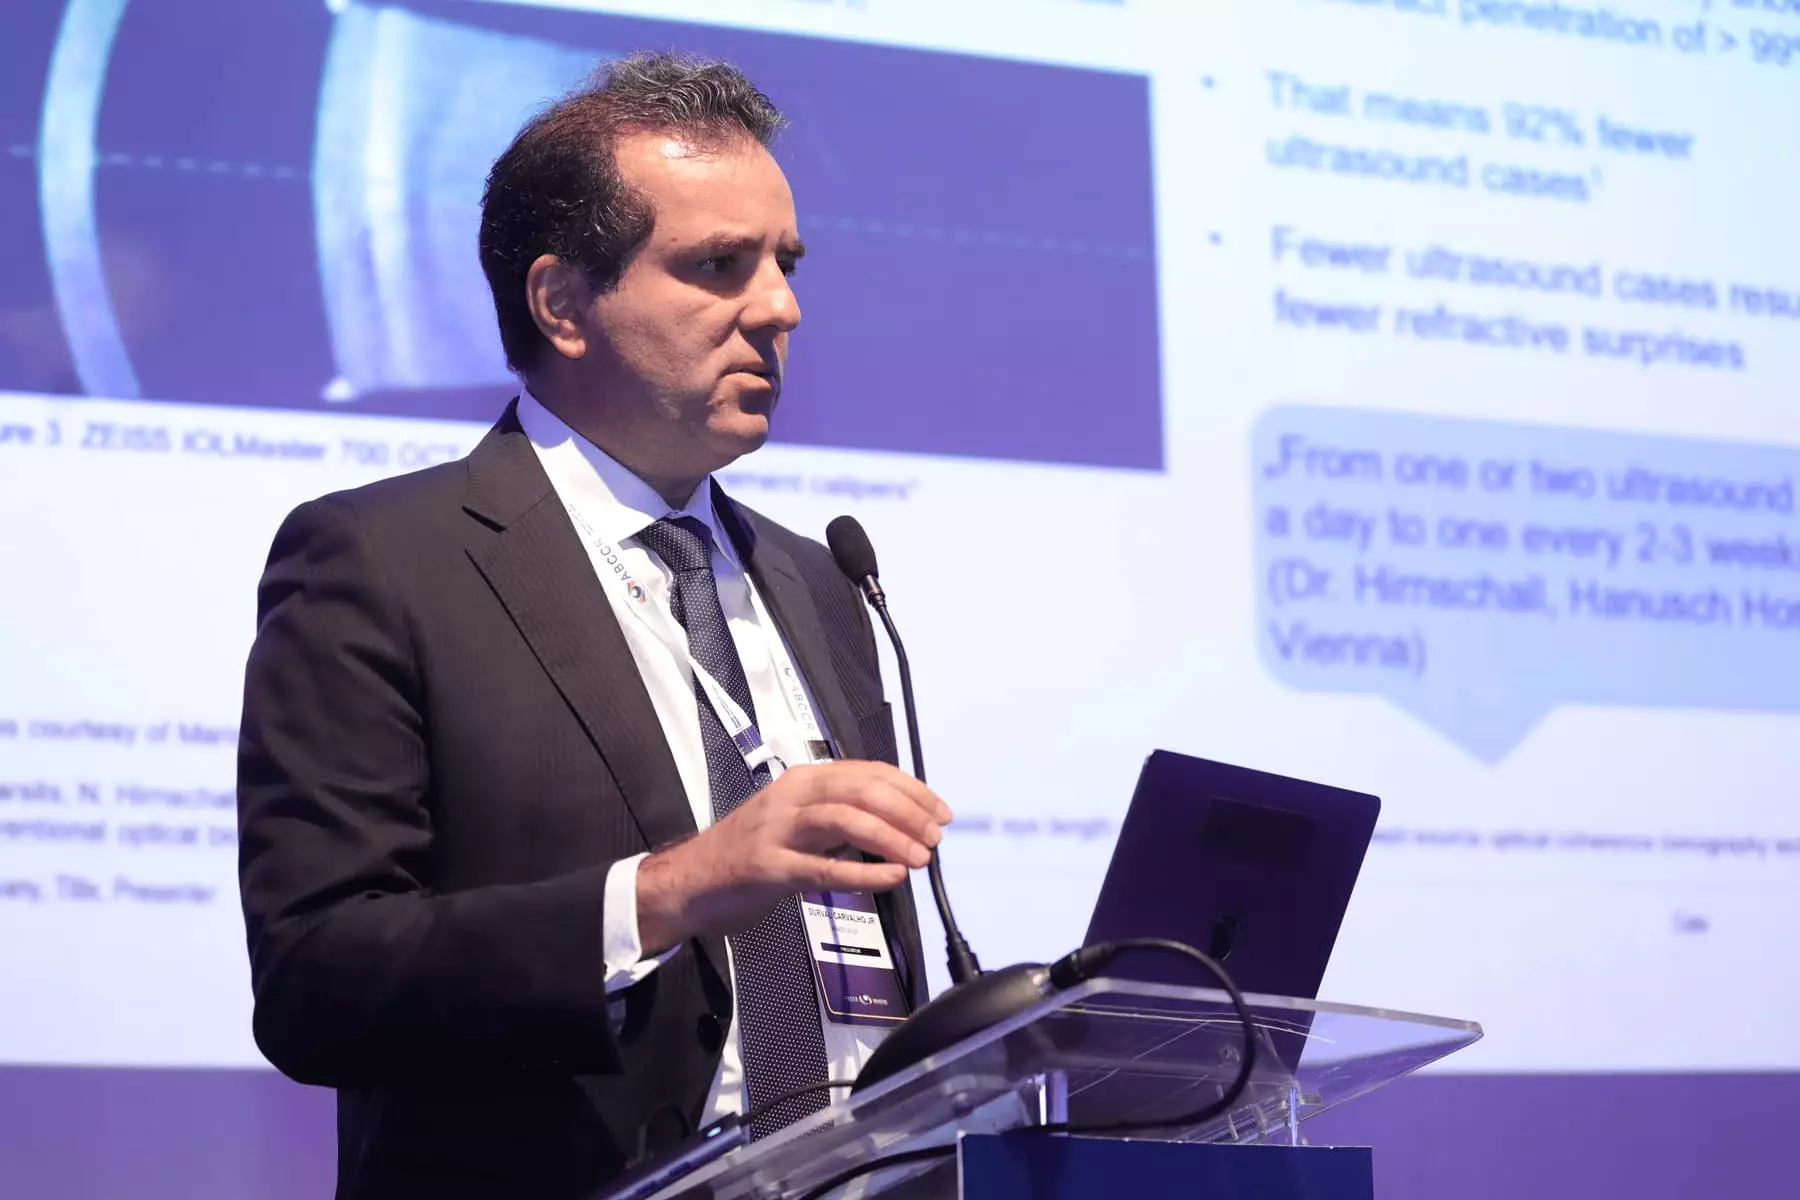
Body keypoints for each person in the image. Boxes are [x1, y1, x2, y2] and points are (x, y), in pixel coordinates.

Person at [235, 53, 948, 1200]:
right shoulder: (384, 560)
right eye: (719, 265)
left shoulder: (823, 583)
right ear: (563, 304)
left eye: (785, 263)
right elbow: (316, 980)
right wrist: (667, 893)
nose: (780, 308)